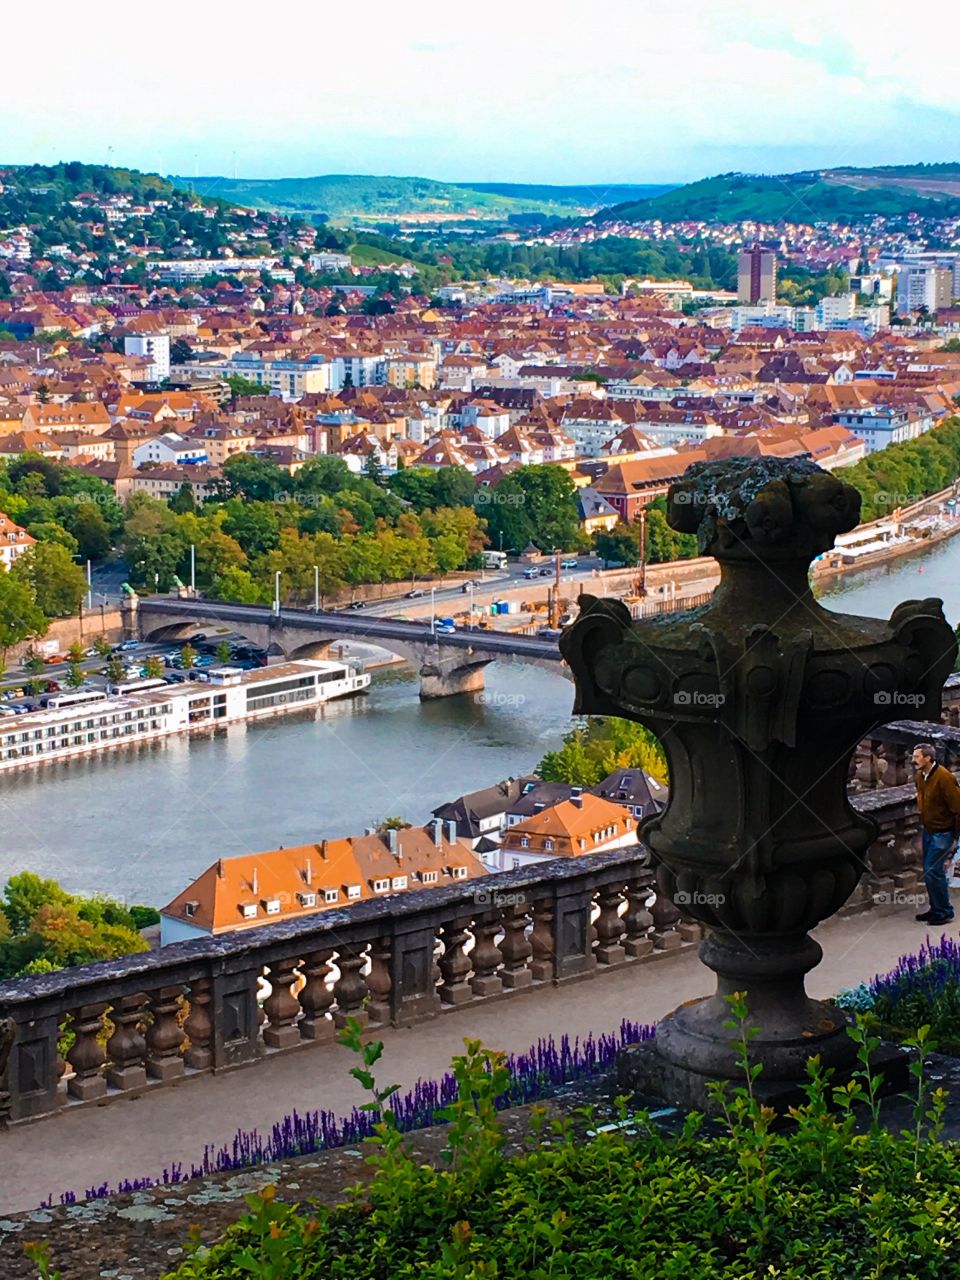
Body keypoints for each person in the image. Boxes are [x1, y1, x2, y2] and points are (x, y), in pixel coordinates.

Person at [913, 742, 960, 925]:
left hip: (943, 832)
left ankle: (944, 911)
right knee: (929, 871)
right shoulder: (920, 776)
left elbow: (957, 806)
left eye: (917, 756)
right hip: (929, 829)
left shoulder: (945, 778)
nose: (914, 760)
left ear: (928, 758)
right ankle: (936, 908)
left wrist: (955, 834)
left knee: (933, 870)